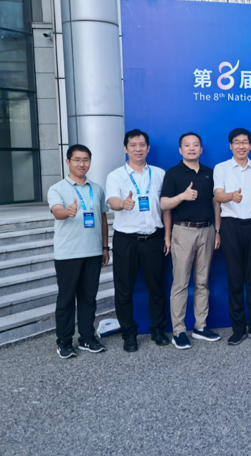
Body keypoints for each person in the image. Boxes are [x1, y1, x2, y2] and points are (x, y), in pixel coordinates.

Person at [105, 129, 170, 352]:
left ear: (148, 148)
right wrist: (122, 204)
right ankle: (129, 334)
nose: (138, 149)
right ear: (125, 148)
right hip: (126, 240)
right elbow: (112, 201)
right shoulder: (116, 176)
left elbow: (166, 207)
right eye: (133, 145)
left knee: (157, 287)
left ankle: (158, 330)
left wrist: (167, 236)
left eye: (142, 145)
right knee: (124, 290)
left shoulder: (159, 174)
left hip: (154, 238)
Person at [47, 144, 110, 359]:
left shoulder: (97, 189)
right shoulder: (57, 188)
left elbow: (103, 219)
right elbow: (57, 212)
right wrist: (68, 211)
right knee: (66, 299)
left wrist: (104, 247)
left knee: (88, 298)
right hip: (68, 253)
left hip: (93, 252)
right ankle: (64, 341)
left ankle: (87, 338)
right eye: (77, 160)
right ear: (68, 162)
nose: (82, 164)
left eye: (85, 160)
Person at [160, 132, 221, 349]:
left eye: (196, 145)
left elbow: (216, 203)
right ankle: (179, 331)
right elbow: (164, 205)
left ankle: (200, 327)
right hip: (183, 231)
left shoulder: (210, 173)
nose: (192, 148)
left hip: (207, 231)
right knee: (180, 283)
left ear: (201, 149)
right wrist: (182, 197)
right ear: (180, 150)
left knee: (203, 282)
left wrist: (217, 230)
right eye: (187, 145)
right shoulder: (173, 174)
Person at [214, 128, 251, 345]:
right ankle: (238, 328)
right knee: (235, 279)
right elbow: (218, 196)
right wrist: (231, 196)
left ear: (250, 145)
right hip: (230, 227)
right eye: (237, 142)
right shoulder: (221, 168)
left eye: (245, 142)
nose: (241, 146)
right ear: (231, 146)